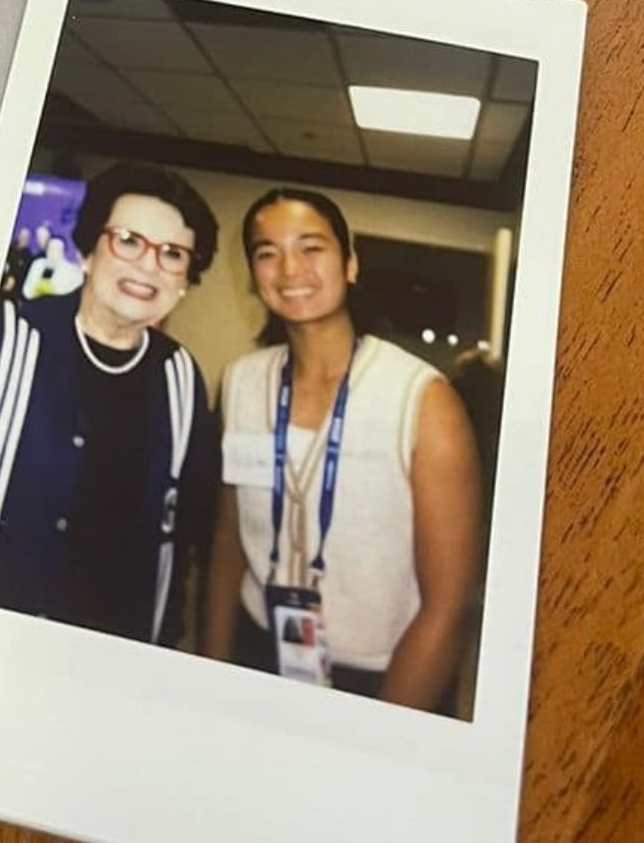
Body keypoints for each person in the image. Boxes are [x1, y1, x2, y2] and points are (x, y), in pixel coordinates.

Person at [203, 187, 481, 711]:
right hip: (258, 645)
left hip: (384, 675)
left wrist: (374, 740)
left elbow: (449, 607)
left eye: (311, 248)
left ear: (350, 263)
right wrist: (213, 675)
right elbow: (228, 543)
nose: (290, 269)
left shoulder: (421, 400)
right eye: (267, 252)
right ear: (253, 275)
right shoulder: (240, 382)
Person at [0, 163, 220, 646]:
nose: (148, 266)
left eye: (172, 254)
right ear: (87, 250)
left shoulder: (181, 378)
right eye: (128, 240)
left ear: (186, 279)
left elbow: (183, 533)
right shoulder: (0, 339)